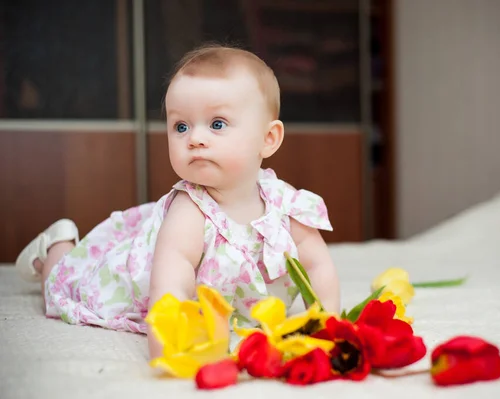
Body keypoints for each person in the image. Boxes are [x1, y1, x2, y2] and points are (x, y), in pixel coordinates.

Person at [15, 45, 340, 359]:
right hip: (134, 280)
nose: (194, 138)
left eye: (217, 124)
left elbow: (317, 264)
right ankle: (56, 247)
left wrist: (329, 324)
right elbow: (170, 282)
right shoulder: (190, 210)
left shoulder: (287, 205)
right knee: (68, 284)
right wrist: (166, 341)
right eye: (180, 126)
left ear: (268, 139)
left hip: (236, 307)